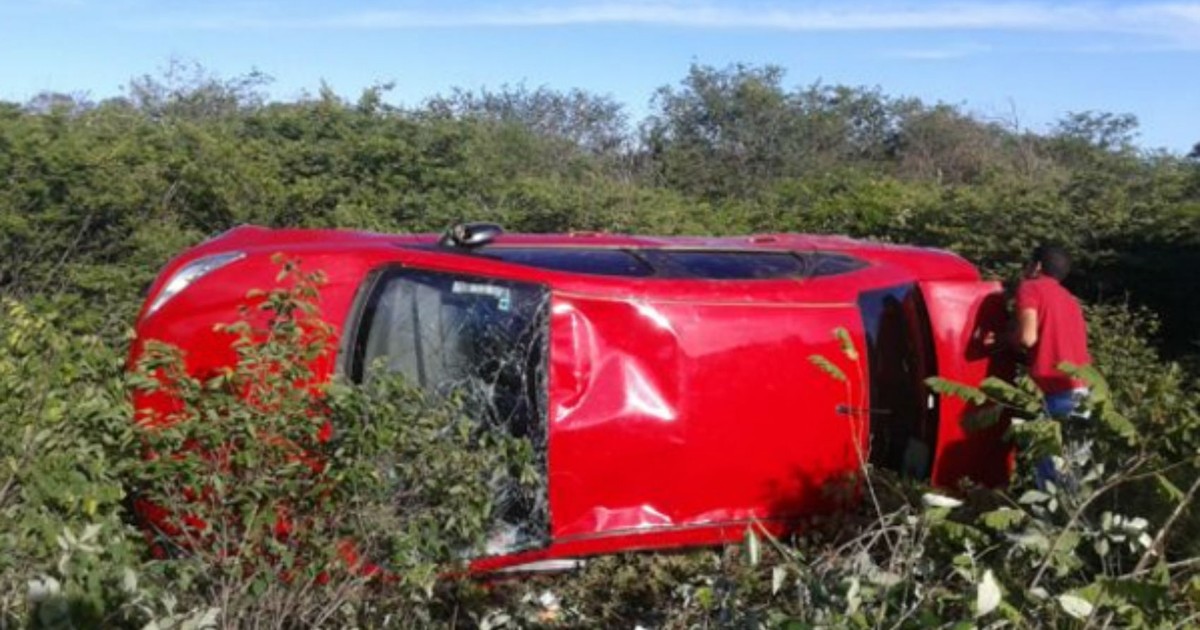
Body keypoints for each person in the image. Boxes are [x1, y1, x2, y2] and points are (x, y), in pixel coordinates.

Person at [1009, 245, 1092, 489]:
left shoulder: (1031, 287)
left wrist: (1002, 339)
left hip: (1055, 392)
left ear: (1037, 266)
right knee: (1073, 475)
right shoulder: (1070, 299)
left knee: (1049, 478)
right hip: (1082, 392)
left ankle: (1050, 525)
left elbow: (1028, 337)